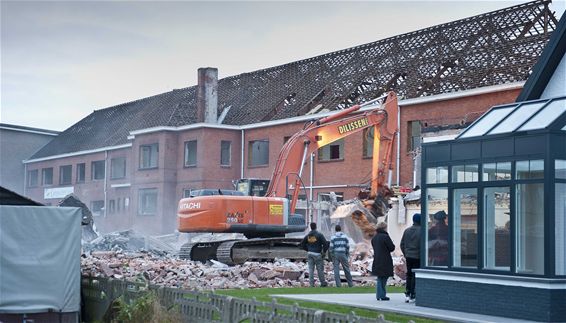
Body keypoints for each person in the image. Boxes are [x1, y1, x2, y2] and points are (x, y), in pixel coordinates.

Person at [371, 221, 395, 301]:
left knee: (380, 277)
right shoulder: (385, 237)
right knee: (383, 278)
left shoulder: (374, 238)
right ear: (384, 228)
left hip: (377, 259)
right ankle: (381, 295)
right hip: (385, 260)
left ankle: (380, 295)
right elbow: (392, 248)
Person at [400, 213, 421, 303]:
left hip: (408, 256)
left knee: (409, 274)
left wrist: (405, 253)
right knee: (415, 275)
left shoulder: (407, 231)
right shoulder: (422, 231)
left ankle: (408, 292)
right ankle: (413, 293)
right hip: (417, 256)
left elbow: (402, 244)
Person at [300, 222, 328, 287]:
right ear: (316, 227)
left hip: (310, 254)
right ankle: (323, 283)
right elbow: (325, 244)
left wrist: (308, 249)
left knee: (311, 269)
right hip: (317, 254)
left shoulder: (308, 235)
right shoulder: (319, 235)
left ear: (310, 227)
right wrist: (324, 252)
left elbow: (302, 244)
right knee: (320, 269)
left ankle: (311, 284)